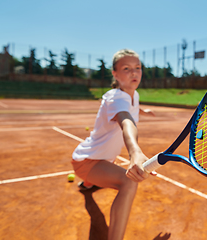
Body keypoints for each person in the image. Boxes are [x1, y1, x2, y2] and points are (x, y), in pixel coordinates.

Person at [71, 49, 155, 240]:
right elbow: (126, 120)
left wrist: (143, 111)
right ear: (115, 74)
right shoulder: (115, 97)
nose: (134, 72)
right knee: (128, 182)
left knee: (104, 172)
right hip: (87, 161)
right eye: (126, 68)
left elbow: (131, 108)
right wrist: (134, 151)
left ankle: (88, 184)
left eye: (138, 67)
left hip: (99, 159)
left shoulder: (133, 95)